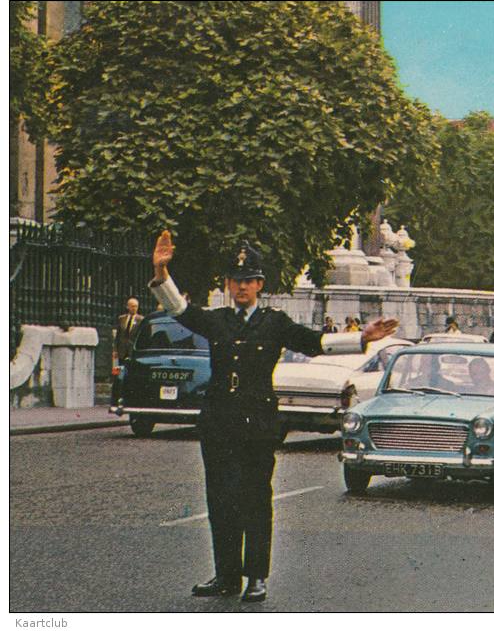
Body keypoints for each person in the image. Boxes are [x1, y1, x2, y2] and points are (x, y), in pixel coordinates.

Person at [148, 230, 397, 602]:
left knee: (255, 498)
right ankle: (227, 575)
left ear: (259, 284)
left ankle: (256, 576)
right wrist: (161, 272)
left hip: (256, 424)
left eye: (249, 281)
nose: (242, 287)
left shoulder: (273, 322)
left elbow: (314, 342)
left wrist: (362, 337)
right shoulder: (217, 320)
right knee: (220, 499)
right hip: (219, 423)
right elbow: (179, 311)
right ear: (229, 284)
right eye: (236, 281)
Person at [114, 297, 144, 364]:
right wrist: (115, 350)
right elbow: (118, 335)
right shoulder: (121, 319)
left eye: (136, 306)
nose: (134, 308)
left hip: (133, 351)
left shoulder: (141, 320)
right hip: (122, 351)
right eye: (132, 306)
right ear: (128, 307)